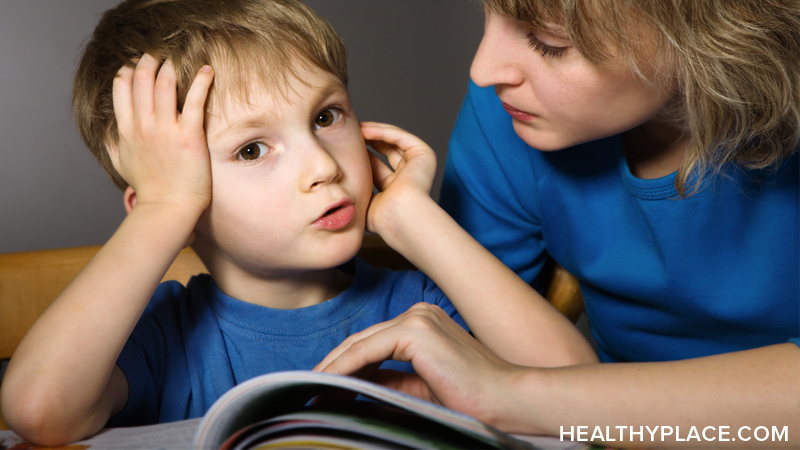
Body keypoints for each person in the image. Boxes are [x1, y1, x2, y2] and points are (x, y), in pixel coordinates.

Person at [0, 0, 596, 445]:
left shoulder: (422, 306)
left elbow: (579, 393)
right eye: (253, 150)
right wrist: (163, 211)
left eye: (326, 115)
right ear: (172, 203)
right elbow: (38, 408)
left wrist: (412, 216)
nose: (321, 165)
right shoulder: (164, 337)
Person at [318, 0, 800, 447]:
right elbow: (480, 357)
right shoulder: (509, 119)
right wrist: (411, 222)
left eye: (549, 40)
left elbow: (507, 390)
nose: (483, 70)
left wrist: (514, 397)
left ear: (714, 29)